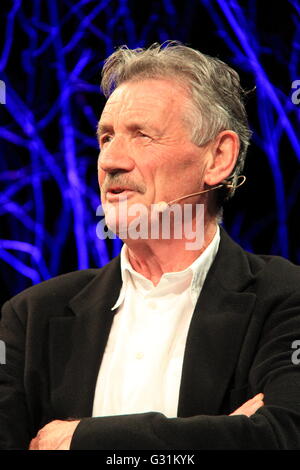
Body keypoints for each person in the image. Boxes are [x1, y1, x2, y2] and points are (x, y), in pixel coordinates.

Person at [1, 41, 300, 451]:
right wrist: (219, 434)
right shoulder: (30, 315)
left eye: (141, 135)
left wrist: (79, 439)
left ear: (218, 157)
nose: (110, 161)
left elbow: (282, 437)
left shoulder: (284, 299)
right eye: (106, 138)